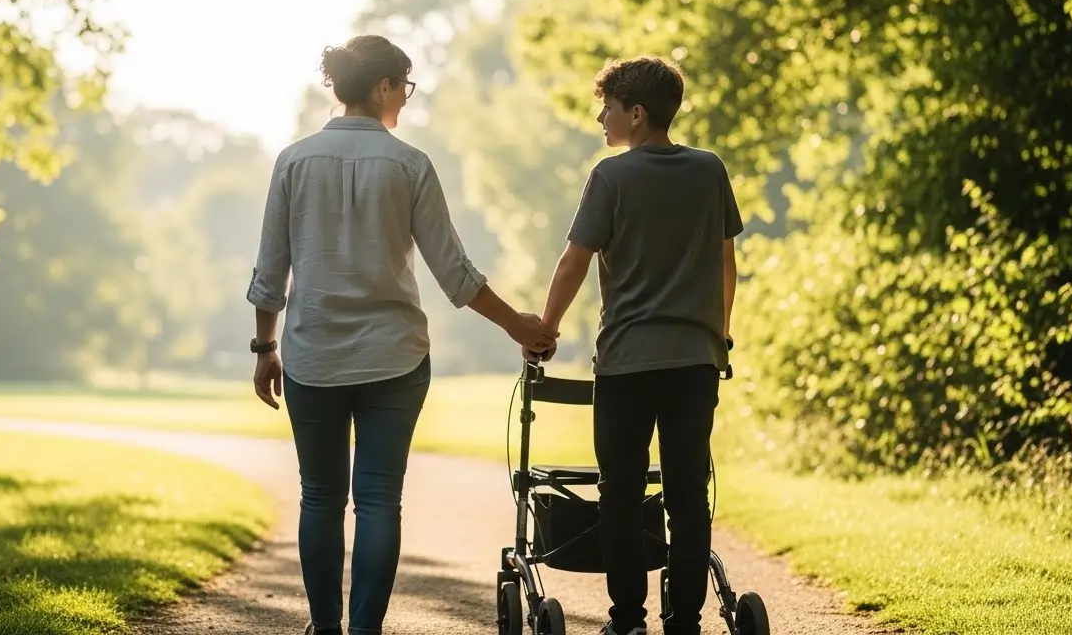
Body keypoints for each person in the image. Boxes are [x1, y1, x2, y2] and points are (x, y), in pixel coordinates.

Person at [245, 34, 558, 635]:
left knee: (320, 498)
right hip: (394, 358)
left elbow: (270, 271)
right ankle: (364, 630)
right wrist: (520, 324)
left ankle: (326, 629)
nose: (406, 101)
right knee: (379, 499)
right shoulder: (410, 164)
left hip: (312, 355)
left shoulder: (293, 161)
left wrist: (265, 348)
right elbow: (455, 274)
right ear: (384, 85)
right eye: (405, 87)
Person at [529, 56, 742, 635]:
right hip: (695, 361)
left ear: (637, 113)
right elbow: (727, 262)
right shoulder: (709, 170)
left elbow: (575, 260)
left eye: (609, 107)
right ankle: (686, 621)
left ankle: (627, 621)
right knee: (687, 493)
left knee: (620, 492)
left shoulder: (611, 177)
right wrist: (718, 334)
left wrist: (545, 328)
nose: (602, 117)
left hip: (627, 363)